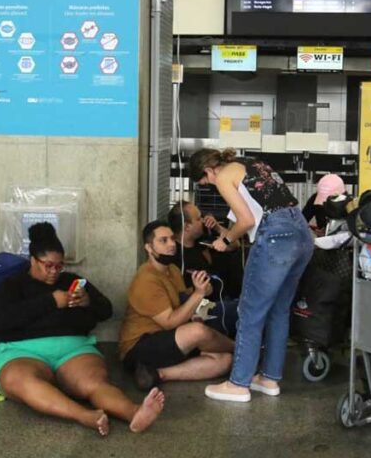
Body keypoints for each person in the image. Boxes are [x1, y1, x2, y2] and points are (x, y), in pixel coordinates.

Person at [0, 223, 165, 436]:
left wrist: (88, 301)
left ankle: (134, 412)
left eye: (59, 266)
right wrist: (51, 301)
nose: (54, 272)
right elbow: (3, 319)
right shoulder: (12, 285)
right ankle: (84, 415)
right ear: (33, 260)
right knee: (21, 381)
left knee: (94, 383)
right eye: (48, 265)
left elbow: (106, 310)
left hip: (72, 349)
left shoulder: (72, 281)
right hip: (22, 351)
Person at [188, 148, 314, 403]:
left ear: (208, 170)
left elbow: (245, 221)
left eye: (206, 181)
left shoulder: (223, 176)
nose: (211, 186)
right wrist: (226, 233)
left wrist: (225, 240)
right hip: (302, 233)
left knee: (249, 312)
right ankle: (269, 378)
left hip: (276, 237)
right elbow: (250, 217)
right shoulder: (250, 164)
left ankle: (238, 383)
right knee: (279, 310)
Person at [118, 221, 235, 392]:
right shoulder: (146, 279)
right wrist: (198, 294)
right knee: (197, 331)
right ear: (149, 248)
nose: (172, 244)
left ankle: (158, 374)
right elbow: (170, 322)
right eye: (163, 241)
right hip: (138, 347)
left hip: (170, 340)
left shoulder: (172, 269)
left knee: (225, 361)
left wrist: (199, 290)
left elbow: (182, 302)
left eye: (172, 239)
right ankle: (241, 350)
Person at [166, 201, 241, 334]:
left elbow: (235, 245)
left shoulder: (202, 240)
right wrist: (199, 291)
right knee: (247, 310)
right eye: (198, 218)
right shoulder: (175, 255)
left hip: (223, 298)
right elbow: (178, 296)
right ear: (187, 226)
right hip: (200, 309)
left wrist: (217, 228)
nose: (203, 220)